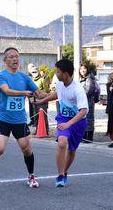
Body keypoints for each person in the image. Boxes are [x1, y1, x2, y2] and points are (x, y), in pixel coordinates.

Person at [0, 47, 47, 188]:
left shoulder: (25, 78)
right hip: (2, 118)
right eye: (11, 57)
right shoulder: (0, 76)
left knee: (26, 148)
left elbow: (39, 93)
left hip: (19, 119)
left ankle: (31, 177)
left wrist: (59, 94)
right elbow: (7, 91)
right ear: (5, 60)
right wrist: (24, 93)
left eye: (17, 57)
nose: (15, 59)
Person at [35, 59, 88, 187]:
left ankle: (64, 172)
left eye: (58, 72)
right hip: (63, 119)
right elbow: (56, 94)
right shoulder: (59, 84)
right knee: (62, 143)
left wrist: (69, 124)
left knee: (72, 150)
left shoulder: (78, 89)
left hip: (78, 122)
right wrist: (42, 100)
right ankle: (60, 175)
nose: (56, 74)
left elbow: (84, 111)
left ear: (65, 74)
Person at [79, 63, 96, 143]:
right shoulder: (81, 79)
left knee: (89, 119)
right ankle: (84, 136)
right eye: (81, 69)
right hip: (82, 102)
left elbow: (89, 90)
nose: (82, 70)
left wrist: (80, 95)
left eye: (84, 68)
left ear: (87, 69)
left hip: (88, 101)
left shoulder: (90, 78)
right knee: (83, 118)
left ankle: (89, 137)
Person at [30, 65, 49, 135]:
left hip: (42, 101)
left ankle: (46, 130)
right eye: (33, 72)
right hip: (35, 100)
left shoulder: (42, 80)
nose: (34, 73)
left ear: (38, 72)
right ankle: (37, 129)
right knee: (36, 116)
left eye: (35, 71)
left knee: (43, 116)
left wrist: (43, 96)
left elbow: (47, 90)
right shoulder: (31, 80)